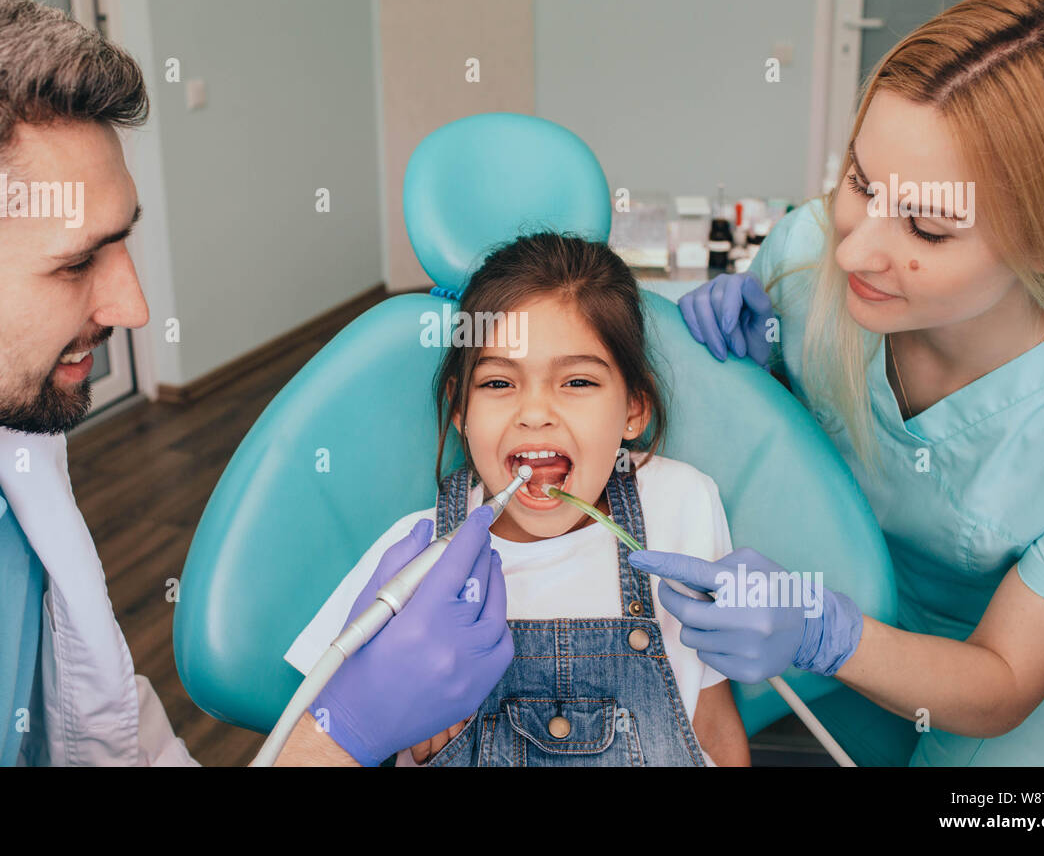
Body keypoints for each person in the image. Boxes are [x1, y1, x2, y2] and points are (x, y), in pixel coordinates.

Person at [0, 0, 509, 767]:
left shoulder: (2, 468)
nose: (132, 307)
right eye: (77, 263)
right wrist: (336, 736)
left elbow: (117, 745)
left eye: (123, 242)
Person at [653, 0, 1044, 765]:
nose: (851, 253)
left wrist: (823, 634)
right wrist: (754, 364)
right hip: (837, 585)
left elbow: (1004, 680)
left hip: (1035, 661)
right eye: (861, 183)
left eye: (929, 228)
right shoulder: (807, 257)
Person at [287, 232, 749, 766]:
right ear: (459, 410)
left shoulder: (683, 503)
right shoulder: (410, 560)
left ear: (634, 410)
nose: (534, 412)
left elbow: (710, 722)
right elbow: (321, 733)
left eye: (576, 382)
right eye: (499, 384)